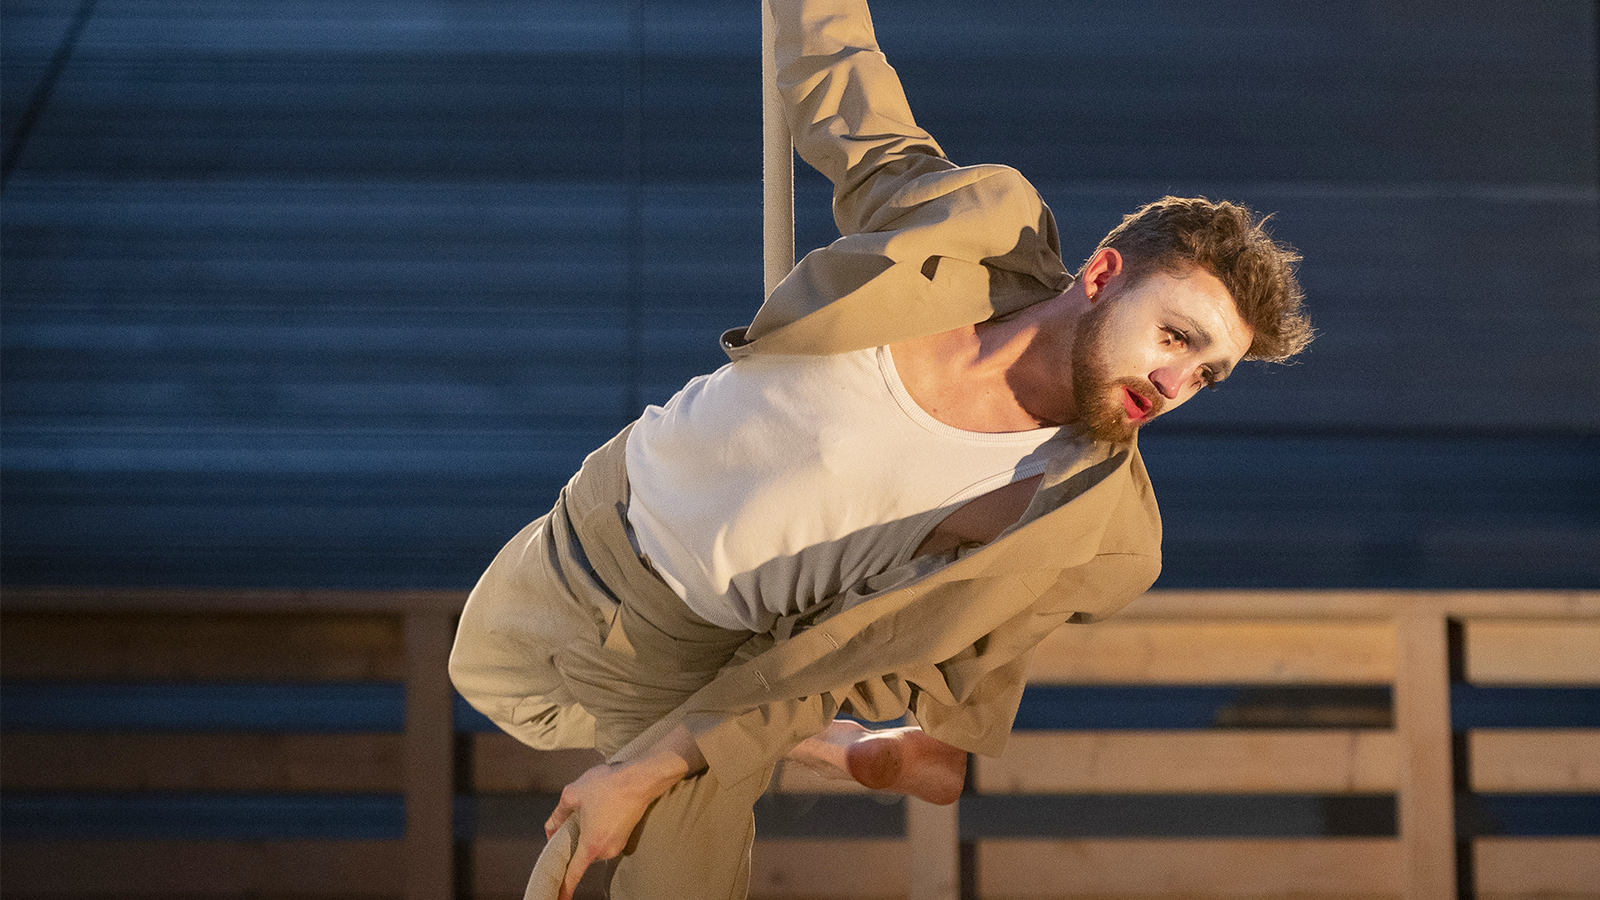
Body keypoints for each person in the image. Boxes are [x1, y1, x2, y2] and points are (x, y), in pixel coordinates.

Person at [449, 0, 1312, 896]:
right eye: (1176, 338)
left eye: (1208, 374)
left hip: (696, 663)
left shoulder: (1083, 518)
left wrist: (662, 762)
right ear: (1102, 276)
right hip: (584, 527)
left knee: (602, 848)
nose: (1177, 384)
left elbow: (823, 664)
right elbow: (842, 89)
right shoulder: (978, 227)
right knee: (483, 681)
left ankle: (886, 746)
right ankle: (872, 750)